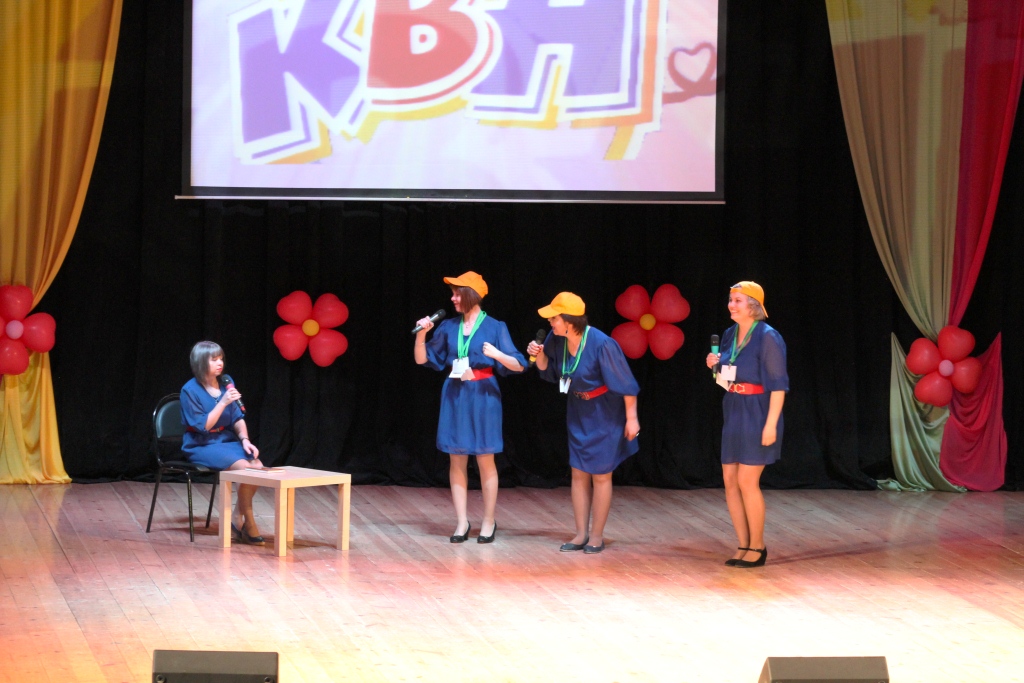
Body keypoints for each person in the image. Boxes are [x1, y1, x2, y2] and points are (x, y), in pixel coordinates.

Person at [414, 272, 526, 544]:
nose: (452, 299)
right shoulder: (448, 326)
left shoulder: (495, 327)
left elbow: (519, 365)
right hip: (456, 394)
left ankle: (488, 520)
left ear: (471, 295)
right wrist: (422, 335)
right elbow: (421, 359)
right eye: (452, 294)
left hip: (484, 394)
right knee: (456, 458)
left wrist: (498, 355)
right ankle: (462, 521)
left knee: (485, 458)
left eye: (457, 294)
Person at [527, 292, 640, 554]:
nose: (550, 323)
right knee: (578, 472)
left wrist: (632, 418)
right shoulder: (557, 338)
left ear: (569, 321)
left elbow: (626, 384)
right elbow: (550, 371)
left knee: (601, 474)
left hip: (604, 412)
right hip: (578, 410)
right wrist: (539, 354)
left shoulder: (602, 344)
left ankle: (596, 536)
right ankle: (580, 534)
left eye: (554, 318)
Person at [705, 281, 788, 568]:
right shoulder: (729, 334)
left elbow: (779, 386)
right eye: (731, 300)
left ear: (753, 305)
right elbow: (726, 380)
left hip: (758, 411)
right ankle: (743, 543)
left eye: (738, 300)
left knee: (746, 481)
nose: (731, 305)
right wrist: (714, 368)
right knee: (730, 480)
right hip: (734, 407)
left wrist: (771, 425)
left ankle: (758, 546)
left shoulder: (768, 337)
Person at [180, 340, 265, 545]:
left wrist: (245, 440)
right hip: (201, 444)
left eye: (221, 359)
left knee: (258, 466)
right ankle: (250, 524)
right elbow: (203, 426)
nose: (220, 363)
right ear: (201, 362)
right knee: (246, 468)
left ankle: (236, 519)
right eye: (214, 360)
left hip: (225, 440)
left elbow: (237, 418)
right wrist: (223, 402)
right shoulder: (189, 390)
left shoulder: (226, 382)